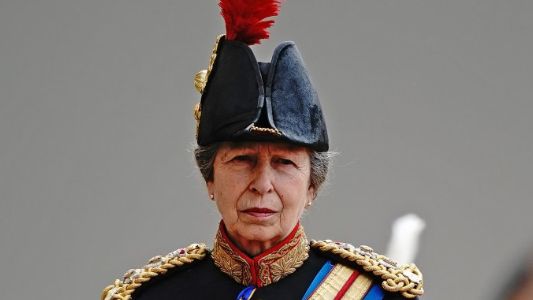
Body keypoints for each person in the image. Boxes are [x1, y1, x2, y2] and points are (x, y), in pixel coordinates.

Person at [101, 1, 424, 299]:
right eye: (242, 160)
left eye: (284, 163)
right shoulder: (152, 295)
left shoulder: (373, 293)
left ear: (312, 186)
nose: (262, 183)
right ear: (209, 179)